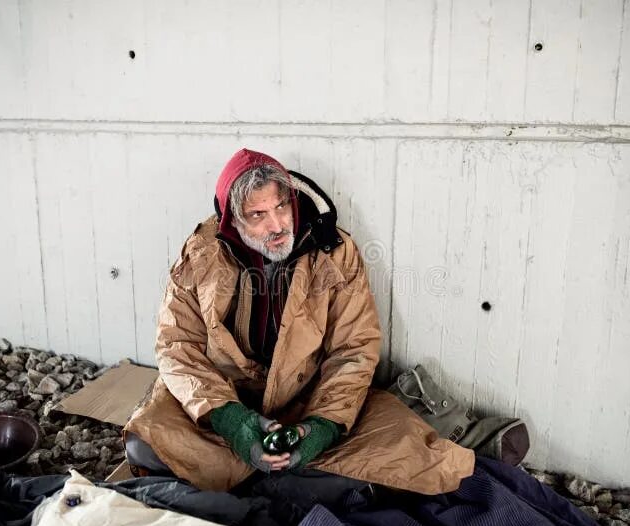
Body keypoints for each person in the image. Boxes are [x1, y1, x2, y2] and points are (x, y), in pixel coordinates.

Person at [123, 148, 474, 494]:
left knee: (404, 453)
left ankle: (265, 473)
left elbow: (354, 348)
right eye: (257, 214)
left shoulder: (334, 251)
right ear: (233, 220)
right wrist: (229, 419)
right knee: (145, 443)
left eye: (280, 207)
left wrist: (321, 426)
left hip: (307, 400)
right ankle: (282, 478)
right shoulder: (202, 251)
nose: (276, 225)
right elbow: (177, 345)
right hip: (225, 397)